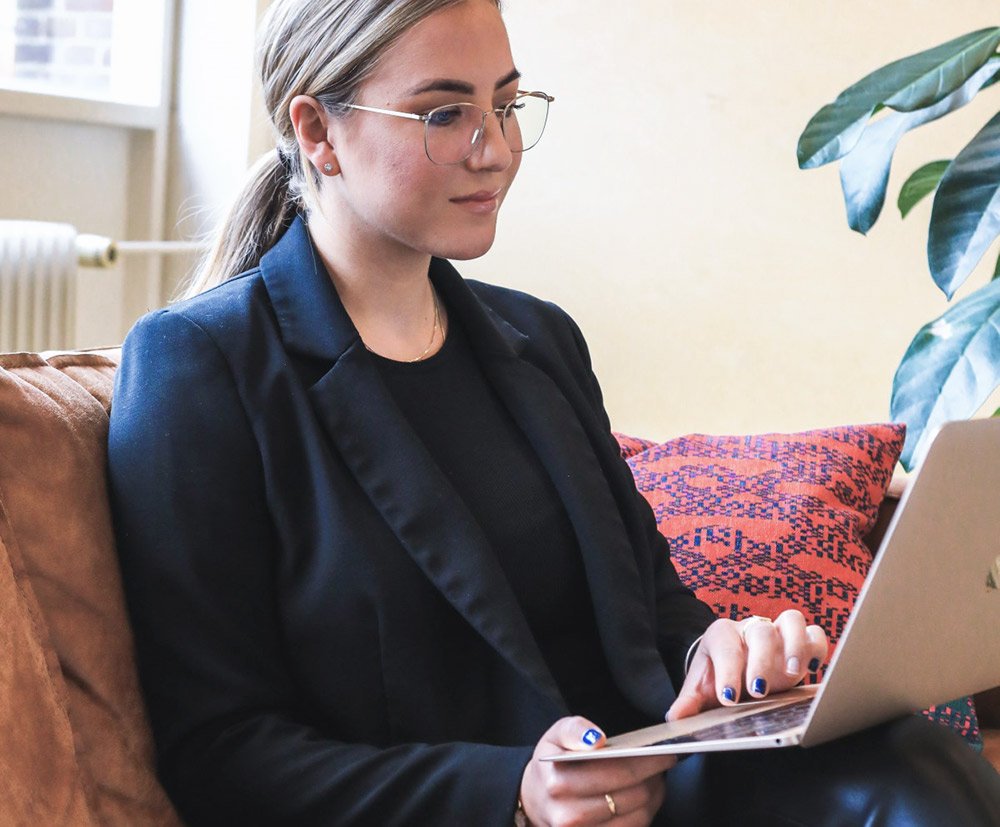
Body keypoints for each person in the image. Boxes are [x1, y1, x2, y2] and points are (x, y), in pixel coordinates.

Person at [106, 1, 1000, 824]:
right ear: (317, 131)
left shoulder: (537, 339)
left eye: (506, 104)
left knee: (912, 761)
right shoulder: (201, 367)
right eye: (444, 113)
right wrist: (513, 794)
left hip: (648, 787)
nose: (493, 148)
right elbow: (217, 751)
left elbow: (658, 613)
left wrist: (722, 658)